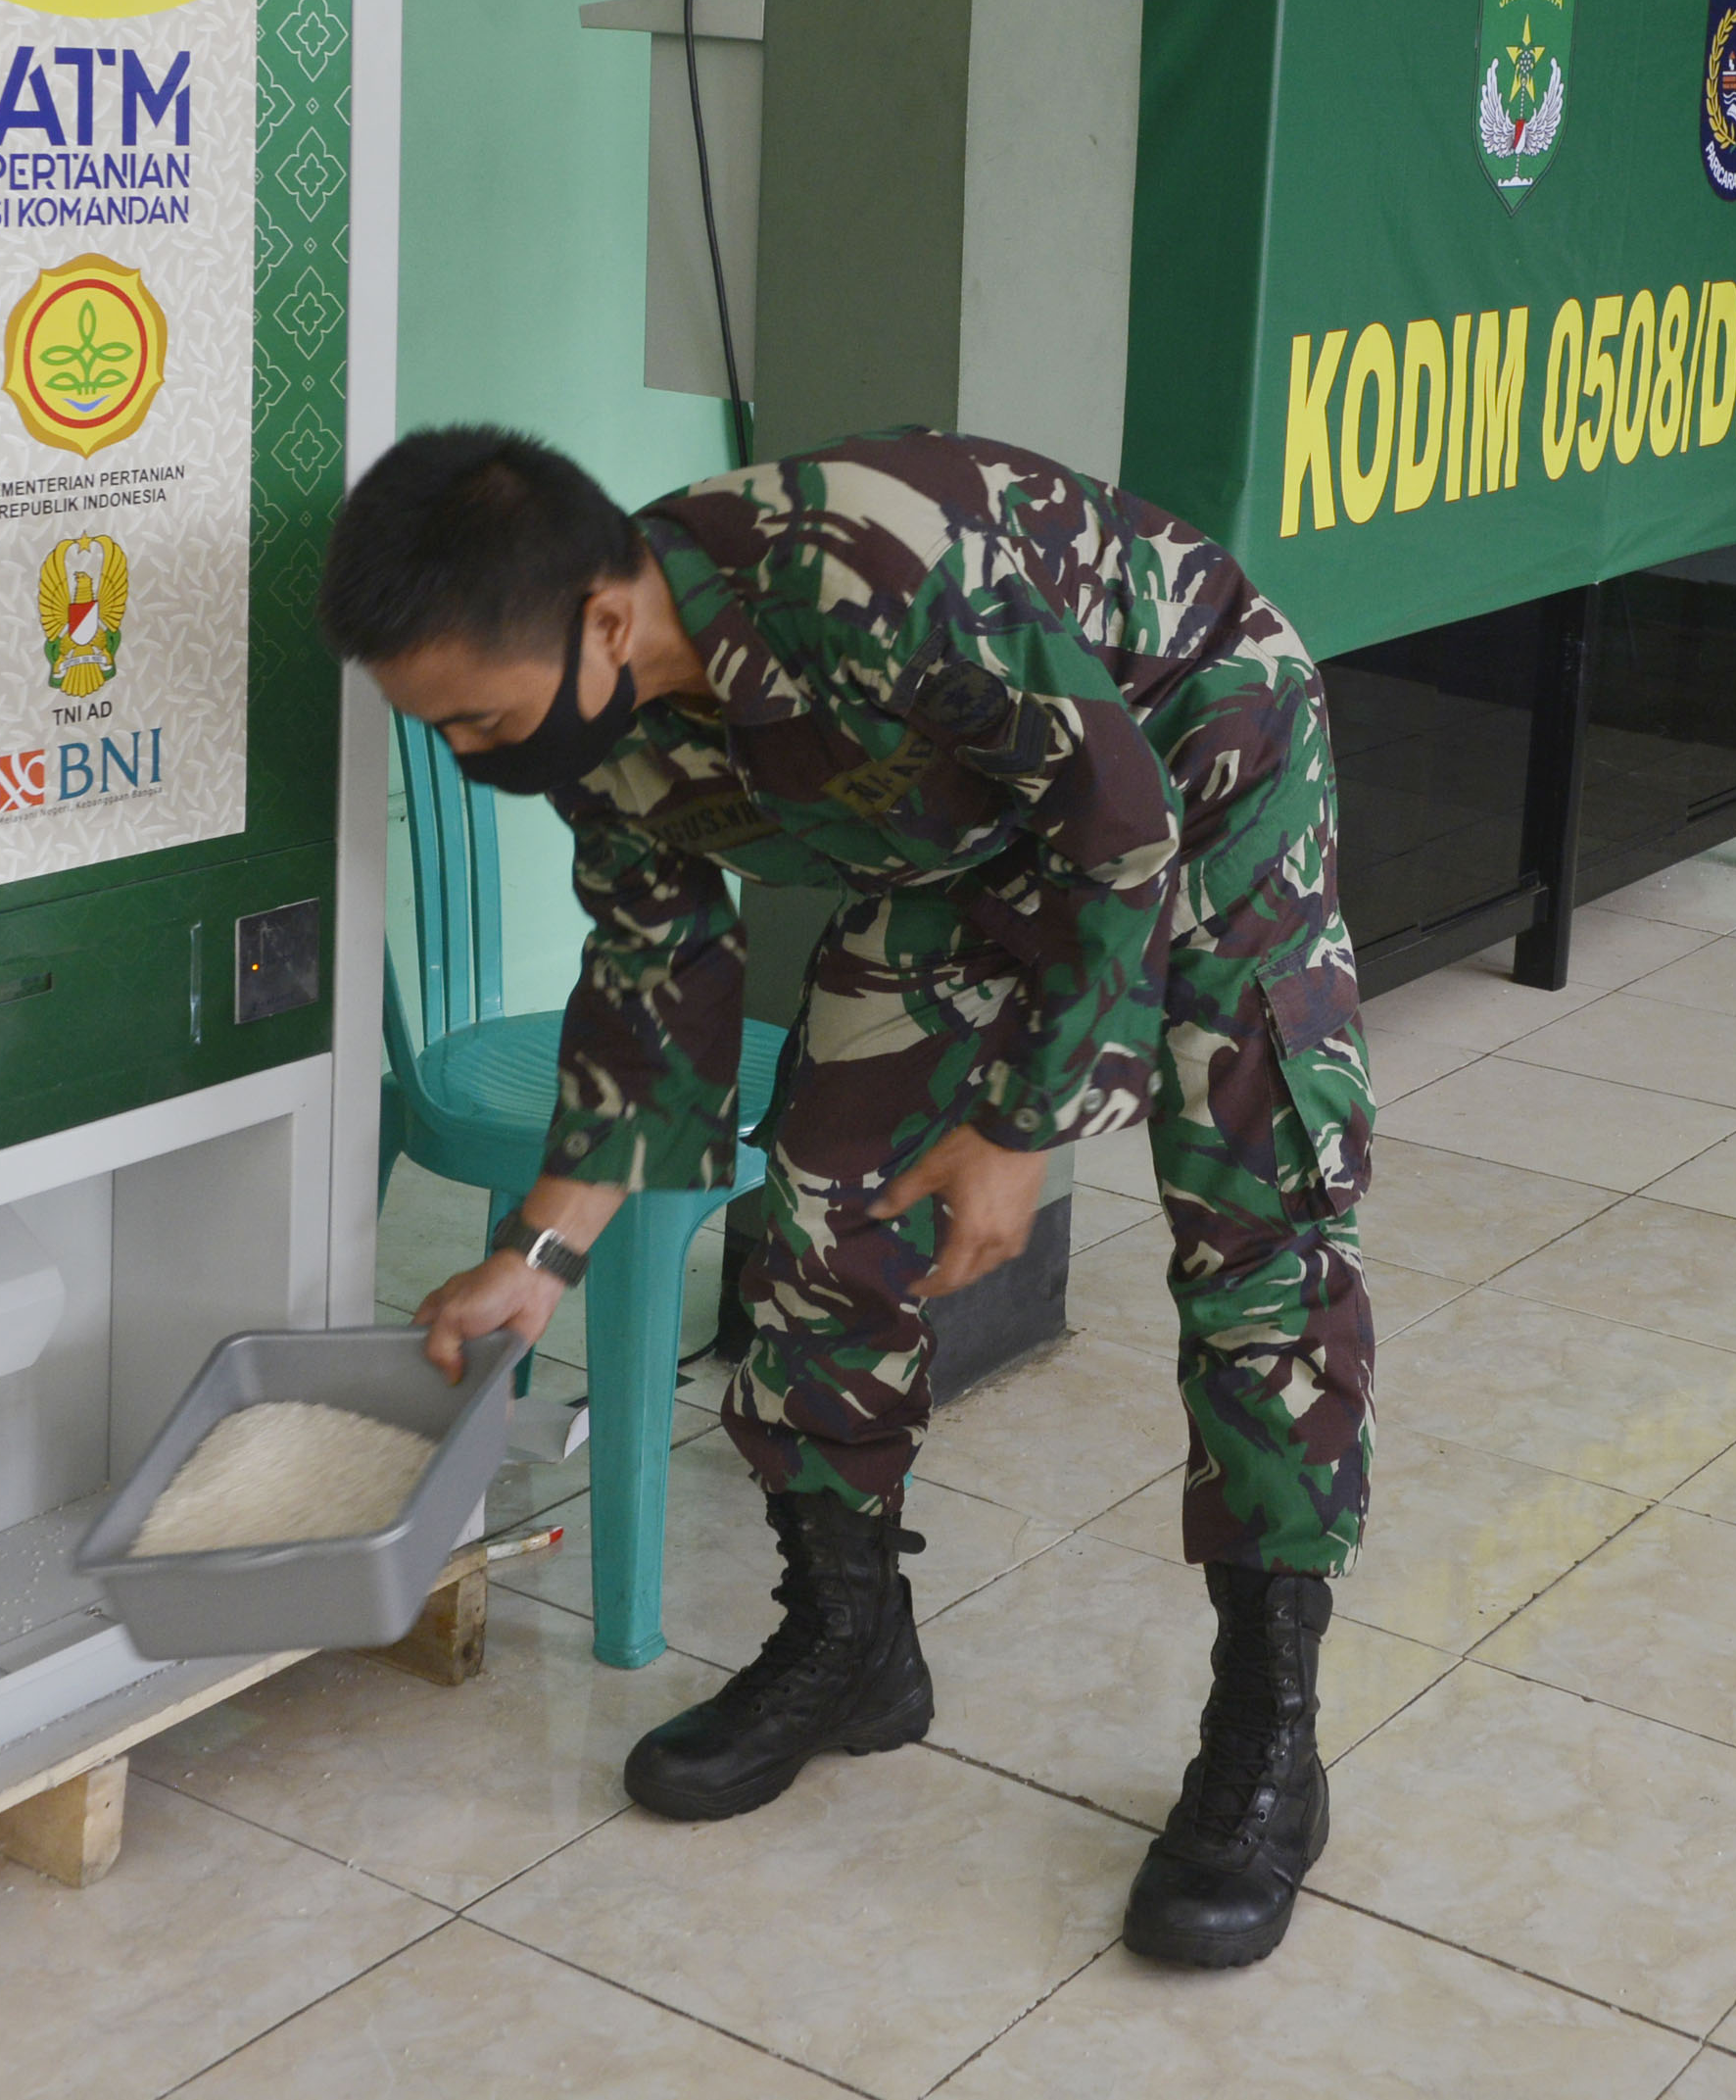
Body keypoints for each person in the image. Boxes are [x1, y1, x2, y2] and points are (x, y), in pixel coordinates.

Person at [321, 424, 1374, 1969]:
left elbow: (1118, 823)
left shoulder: (868, 580)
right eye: (443, 732)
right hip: (963, 837)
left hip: (1192, 770)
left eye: (477, 722)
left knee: (1257, 1235)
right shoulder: (595, 714)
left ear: (604, 620)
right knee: (819, 1204)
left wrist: (1022, 1126)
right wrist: (540, 1255)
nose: (477, 762)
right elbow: (648, 974)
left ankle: (1265, 1734)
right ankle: (850, 1637)